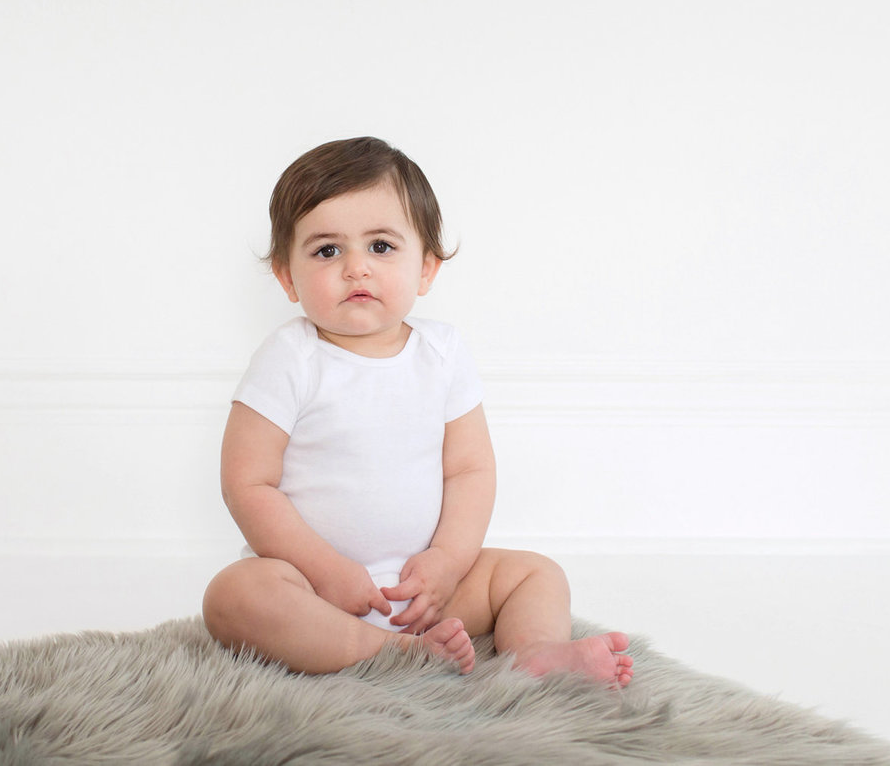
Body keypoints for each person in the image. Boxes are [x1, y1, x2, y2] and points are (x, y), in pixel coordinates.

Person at [202, 136, 633, 684]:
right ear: (287, 277)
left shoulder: (442, 353)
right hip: (315, 590)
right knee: (233, 596)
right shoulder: (290, 358)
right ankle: (383, 651)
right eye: (327, 251)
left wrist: (449, 564)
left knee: (534, 574)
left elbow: (469, 468)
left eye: (380, 246)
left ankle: (535, 654)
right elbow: (247, 483)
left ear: (426, 267)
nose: (356, 268)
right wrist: (324, 570)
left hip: (425, 589)